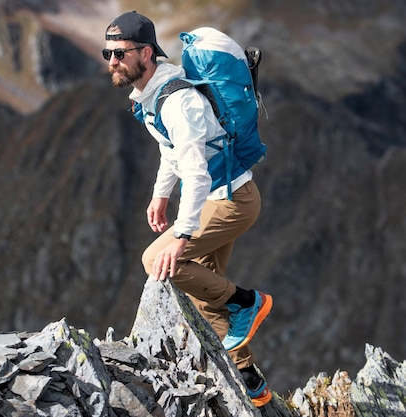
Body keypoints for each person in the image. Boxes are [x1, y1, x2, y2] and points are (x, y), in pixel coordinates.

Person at [103, 11, 273, 407]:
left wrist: (181, 234)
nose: (112, 61)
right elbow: (171, 151)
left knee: (158, 261)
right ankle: (248, 377)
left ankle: (248, 301)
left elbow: (195, 175)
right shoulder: (153, 94)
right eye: (107, 52)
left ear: (146, 53)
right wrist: (160, 194)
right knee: (202, 289)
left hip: (231, 202)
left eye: (120, 53)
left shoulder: (177, 101)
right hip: (222, 197)